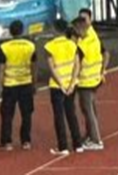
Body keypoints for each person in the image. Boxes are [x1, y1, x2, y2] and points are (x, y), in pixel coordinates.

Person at [44, 19, 83, 155]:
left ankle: (63, 146)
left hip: (57, 86)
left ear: (55, 29)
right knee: (71, 113)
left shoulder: (50, 46)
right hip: (71, 84)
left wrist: (60, 84)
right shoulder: (72, 45)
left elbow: (52, 68)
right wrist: (71, 83)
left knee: (59, 116)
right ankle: (78, 144)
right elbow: (77, 65)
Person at [0, 20, 36, 151]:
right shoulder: (30, 46)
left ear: (10, 31)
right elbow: (34, 66)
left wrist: (0, 85)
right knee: (26, 114)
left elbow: (1, 68)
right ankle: (26, 141)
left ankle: (7, 142)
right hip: (26, 82)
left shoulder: (4, 47)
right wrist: (34, 83)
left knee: (7, 114)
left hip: (10, 84)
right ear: (22, 30)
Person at [73, 14, 110, 151]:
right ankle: (90, 135)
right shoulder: (93, 35)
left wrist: (73, 81)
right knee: (91, 108)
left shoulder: (82, 45)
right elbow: (105, 53)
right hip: (96, 78)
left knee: (88, 110)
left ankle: (96, 139)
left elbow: (78, 65)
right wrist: (102, 71)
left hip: (86, 81)